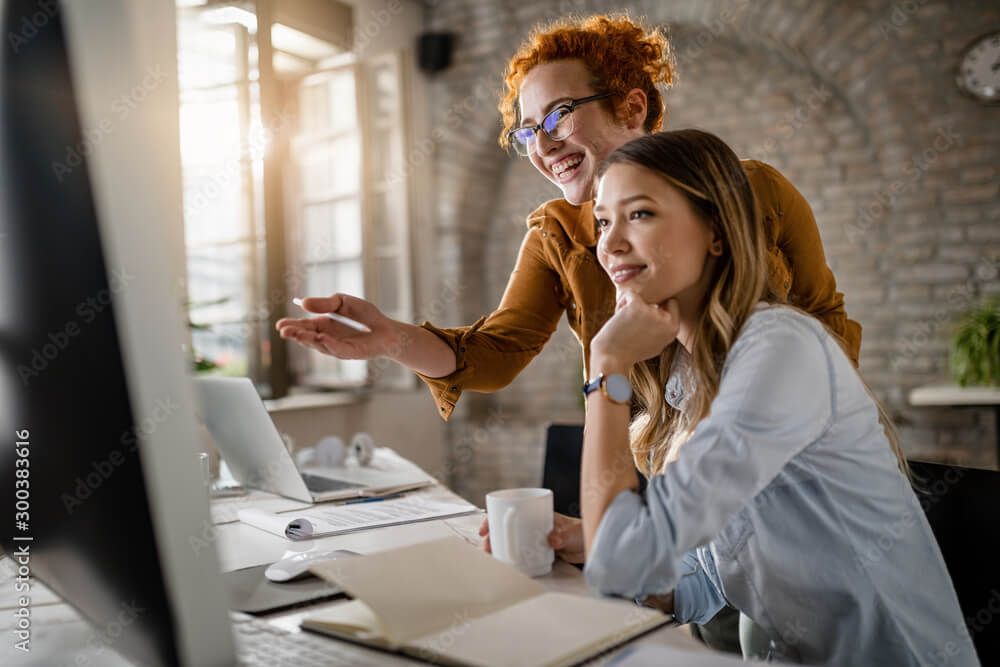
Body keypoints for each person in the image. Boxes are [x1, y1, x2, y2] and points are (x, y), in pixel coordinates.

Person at [578, 128, 976, 665]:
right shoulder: (694, 375)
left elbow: (618, 566)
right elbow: (707, 579)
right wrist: (599, 542)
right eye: (603, 221)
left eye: (640, 214)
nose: (610, 243)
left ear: (716, 230)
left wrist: (607, 370)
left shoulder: (780, 350)